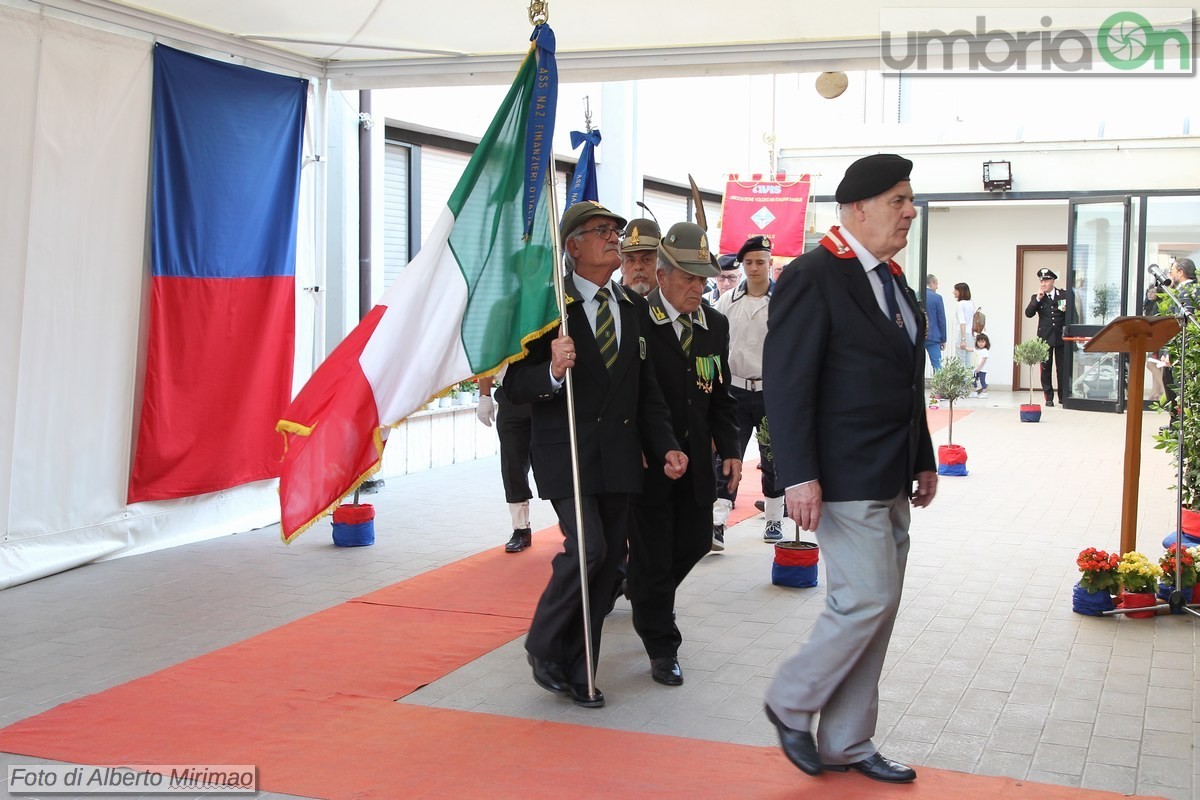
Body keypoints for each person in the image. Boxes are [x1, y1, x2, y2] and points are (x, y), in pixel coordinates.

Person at [761, 153, 936, 785]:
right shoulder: (814, 275)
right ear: (857, 208)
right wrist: (797, 473)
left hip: (891, 471)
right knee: (866, 597)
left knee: (877, 608)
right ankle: (790, 698)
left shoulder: (891, 279)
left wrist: (924, 458)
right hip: (841, 473)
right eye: (898, 200)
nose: (910, 212)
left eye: (909, 200)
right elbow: (787, 383)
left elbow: (904, 379)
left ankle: (845, 741)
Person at [503, 200, 687, 710]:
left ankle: (578, 670)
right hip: (569, 454)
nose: (614, 238)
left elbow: (646, 392)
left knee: (608, 567)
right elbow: (512, 388)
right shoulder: (546, 308)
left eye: (616, 230)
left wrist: (666, 445)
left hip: (622, 456)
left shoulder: (632, 308)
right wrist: (552, 372)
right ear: (572, 245)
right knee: (588, 551)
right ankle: (543, 647)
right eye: (601, 231)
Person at [629, 222, 741, 687]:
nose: (700, 287)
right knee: (654, 556)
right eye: (689, 278)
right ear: (662, 275)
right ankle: (662, 645)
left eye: (703, 278)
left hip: (696, 463)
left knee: (696, 542)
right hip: (649, 464)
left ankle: (642, 594)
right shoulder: (636, 319)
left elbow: (720, 395)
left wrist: (731, 448)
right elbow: (630, 397)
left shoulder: (715, 325)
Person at [712, 235, 786, 547]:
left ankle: (773, 519)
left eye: (760, 262)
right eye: (749, 263)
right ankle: (717, 521)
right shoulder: (727, 303)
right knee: (729, 456)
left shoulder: (783, 301)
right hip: (736, 391)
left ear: (771, 264)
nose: (754, 268)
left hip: (771, 392)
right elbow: (714, 342)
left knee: (774, 458)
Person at [477, 371, 535, 552]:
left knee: (555, 464)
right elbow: (489, 360)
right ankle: (520, 528)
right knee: (512, 466)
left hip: (546, 396)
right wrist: (484, 397)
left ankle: (569, 520)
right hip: (511, 398)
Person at [1023, 267, 1067, 406]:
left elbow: (1072, 315)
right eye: (1041, 281)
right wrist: (1037, 299)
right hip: (1044, 338)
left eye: (1046, 281)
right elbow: (1028, 313)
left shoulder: (1063, 295)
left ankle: (1063, 396)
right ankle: (1049, 397)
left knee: (1062, 369)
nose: (1043, 284)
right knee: (1045, 369)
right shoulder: (1037, 297)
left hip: (1061, 337)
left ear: (1053, 281)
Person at [619, 217, 661, 297]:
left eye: (646, 259)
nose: (638, 267)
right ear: (622, 266)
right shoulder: (608, 302)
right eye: (631, 260)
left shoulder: (674, 303)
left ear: (660, 265)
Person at [924, 274, 946, 372]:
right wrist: (943, 338)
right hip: (933, 336)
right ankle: (939, 386)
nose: (937, 287)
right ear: (932, 283)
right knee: (937, 364)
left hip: (918, 337)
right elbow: (941, 319)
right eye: (936, 284)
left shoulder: (915, 295)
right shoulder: (937, 298)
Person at [952, 282, 975, 369]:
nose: (953, 292)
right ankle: (969, 380)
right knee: (969, 359)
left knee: (960, 359)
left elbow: (962, 322)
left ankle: (962, 381)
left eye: (955, 290)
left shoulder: (960, 304)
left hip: (962, 334)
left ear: (960, 291)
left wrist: (963, 339)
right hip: (970, 334)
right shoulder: (971, 303)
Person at [970, 333, 990, 398]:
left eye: (983, 341)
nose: (980, 343)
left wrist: (979, 368)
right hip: (976, 369)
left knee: (982, 381)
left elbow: (983, 360)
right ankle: (974, 392)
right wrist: (962, 347)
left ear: (986, 343)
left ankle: (985, 393)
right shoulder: (977, 350)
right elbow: (971, 349)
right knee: (973, 380)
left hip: (982, 369)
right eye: (979, 341)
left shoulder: (985, 351)